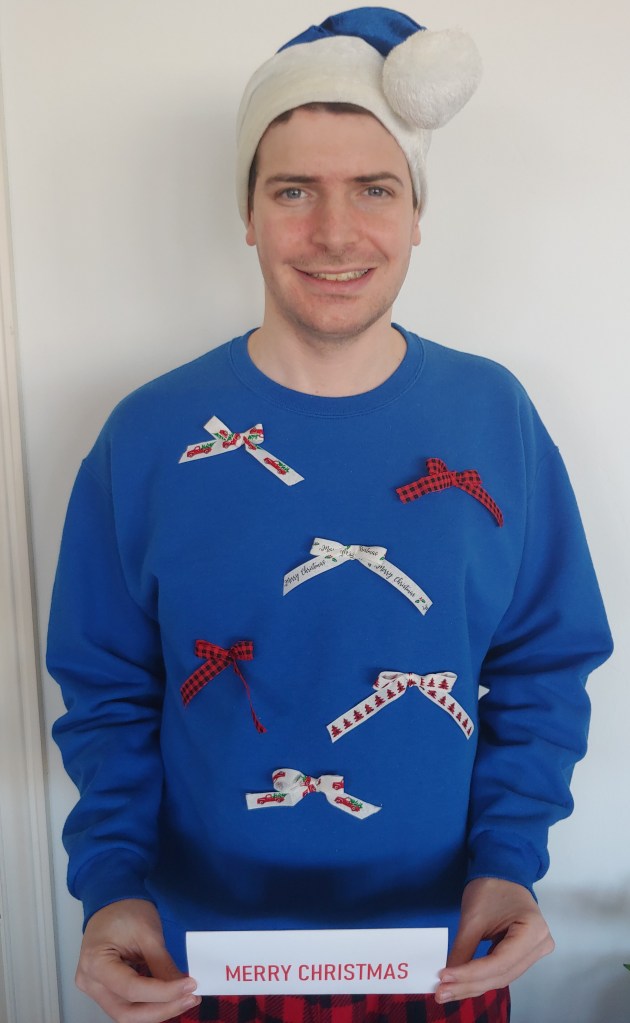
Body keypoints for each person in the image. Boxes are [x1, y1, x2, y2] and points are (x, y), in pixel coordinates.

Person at [47, 8, 613, 1023]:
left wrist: (510, 861)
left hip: (445, 951)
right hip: (197, 959)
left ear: (418, 212)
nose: (337, 234)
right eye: (294, 190)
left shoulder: (496, 419)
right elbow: (107, 689)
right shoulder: (149, 435)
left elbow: (543, 665)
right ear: (248, 212)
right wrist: (113, 884)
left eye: (375, 189)